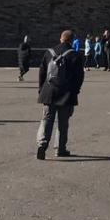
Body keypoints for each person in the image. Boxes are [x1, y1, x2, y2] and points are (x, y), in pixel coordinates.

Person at [36, 29, 85, 160]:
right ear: (71, 40)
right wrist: (76, 91)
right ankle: (60, 149)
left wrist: (41, 89)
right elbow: (79, 77)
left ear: (60, 38)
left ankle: (42, 144)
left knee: (46, 119)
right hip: (66, 93)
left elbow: (42, 72)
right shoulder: (74, 55)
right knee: (63, 123)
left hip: (49, 91)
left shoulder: (49, 52)